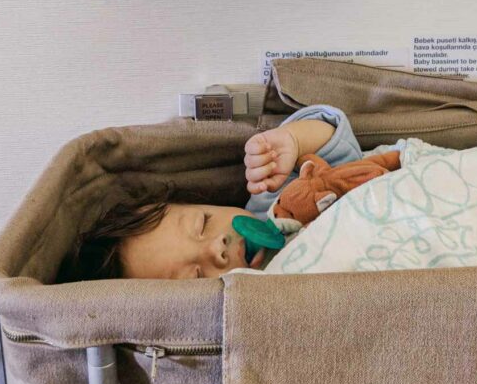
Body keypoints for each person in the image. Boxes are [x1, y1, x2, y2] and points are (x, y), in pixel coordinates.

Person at [61, 106, 366, 282]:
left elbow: (341, 150)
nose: (216, 249)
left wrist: (293, 142)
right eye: (196, 277)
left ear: (207, 201)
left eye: (203, 223)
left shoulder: (270, 202)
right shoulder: (254, 309)